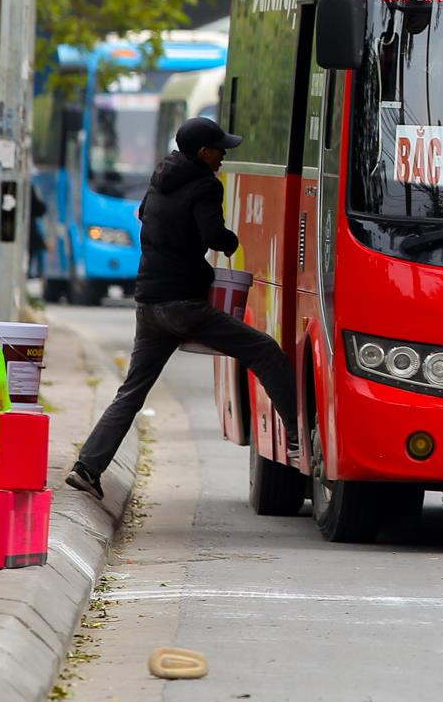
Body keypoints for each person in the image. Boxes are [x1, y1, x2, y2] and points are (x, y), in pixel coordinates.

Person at [64, 119, 299, 500]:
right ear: (202, 152)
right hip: (184, 306)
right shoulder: (206, 185)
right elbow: (212, 235)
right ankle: (297, 438)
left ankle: (87, 467)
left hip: (149, 304)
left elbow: (143, 215)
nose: (224, 154)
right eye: (219, 148)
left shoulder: (161, 177)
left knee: (132, 391)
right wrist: (230, 240)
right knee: (265, 351)